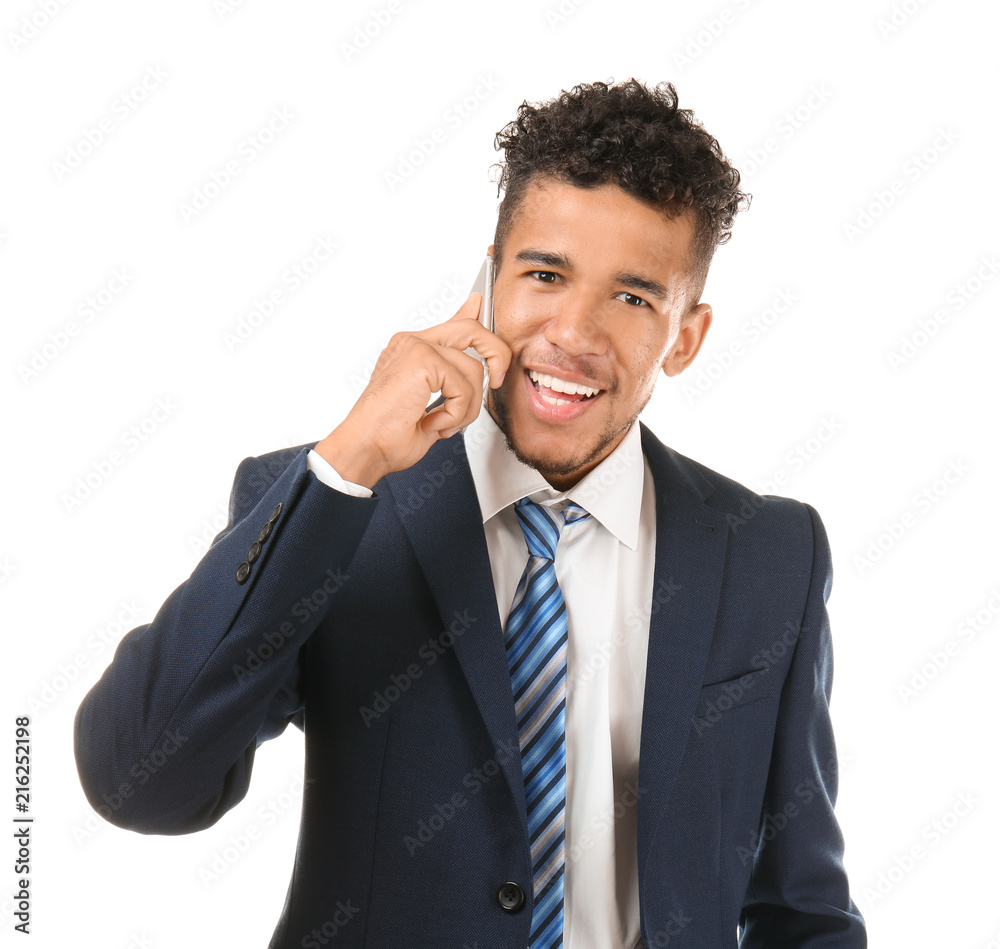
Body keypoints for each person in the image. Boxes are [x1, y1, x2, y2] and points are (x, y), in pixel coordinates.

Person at [74, 79, 866, 948]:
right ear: (488, 281)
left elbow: (804, 910)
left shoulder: (770, 555)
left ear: (686, 336)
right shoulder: (339, 509)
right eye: (545, 275)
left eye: (633, 297)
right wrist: (350, 458)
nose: (574, 333)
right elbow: (136, 781)